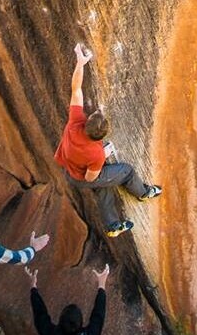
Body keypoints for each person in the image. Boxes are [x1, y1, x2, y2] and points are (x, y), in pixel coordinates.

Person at [54, 42, 161, 237]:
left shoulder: (74, 123)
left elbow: (76, 89)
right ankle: (144, 193)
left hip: (69, 171)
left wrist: (80, 62)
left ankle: (113, 226)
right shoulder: (95, 153)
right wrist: (104, 154)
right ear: (100, 137)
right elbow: (90, 178)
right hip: (81, 177)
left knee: (104, 188)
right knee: (125, 172)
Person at [26, 263, 109, 335]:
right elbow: (98, 316)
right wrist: (101, 284)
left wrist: (33, 287)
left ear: (60, 320)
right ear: (80, 324)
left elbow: (40, 314)